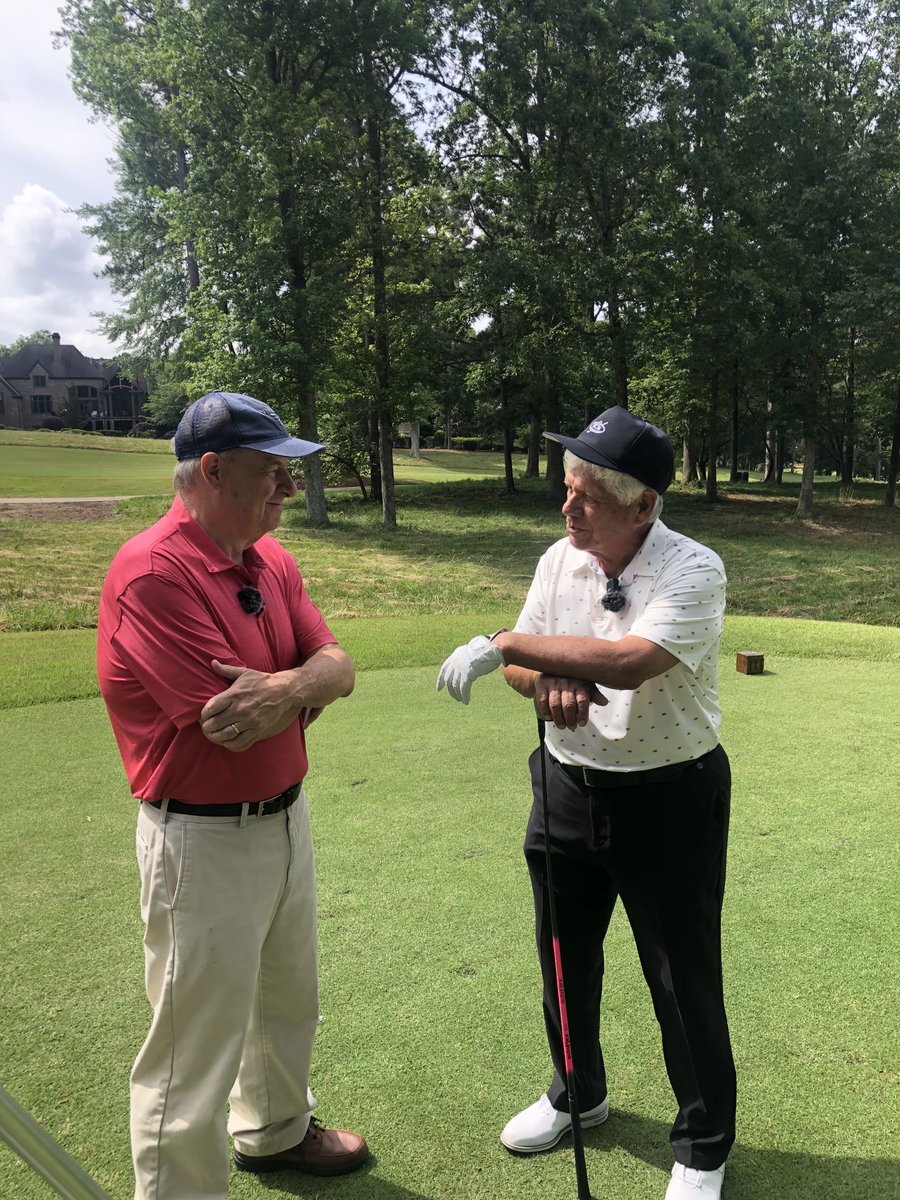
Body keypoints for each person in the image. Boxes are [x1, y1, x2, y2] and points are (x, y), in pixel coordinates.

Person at [437, 407, 736, 1200]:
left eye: (588, 497)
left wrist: (505, 644)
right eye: (567, 488)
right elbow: (527, 668)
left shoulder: (693, 568)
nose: (567, 507)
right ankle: (579, 1092)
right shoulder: (558, 560)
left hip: (669, 795)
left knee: (679, 976)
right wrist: (542, 673)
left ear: (644, 506)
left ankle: (704, 1145)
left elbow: (631, 660)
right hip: (566, 784)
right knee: (564, 956)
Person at [97, 391, 368, 1200]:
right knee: (192, 1048)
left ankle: (276, 1131)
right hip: (200, 837)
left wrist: (289, 685)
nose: (287, 487)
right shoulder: (153, 572)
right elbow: (229, 724)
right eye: (270, 471)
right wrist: (305, 684)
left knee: (287, 997)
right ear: (213, 471)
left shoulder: (269, 558)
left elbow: (337, 665)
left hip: (285, 818)